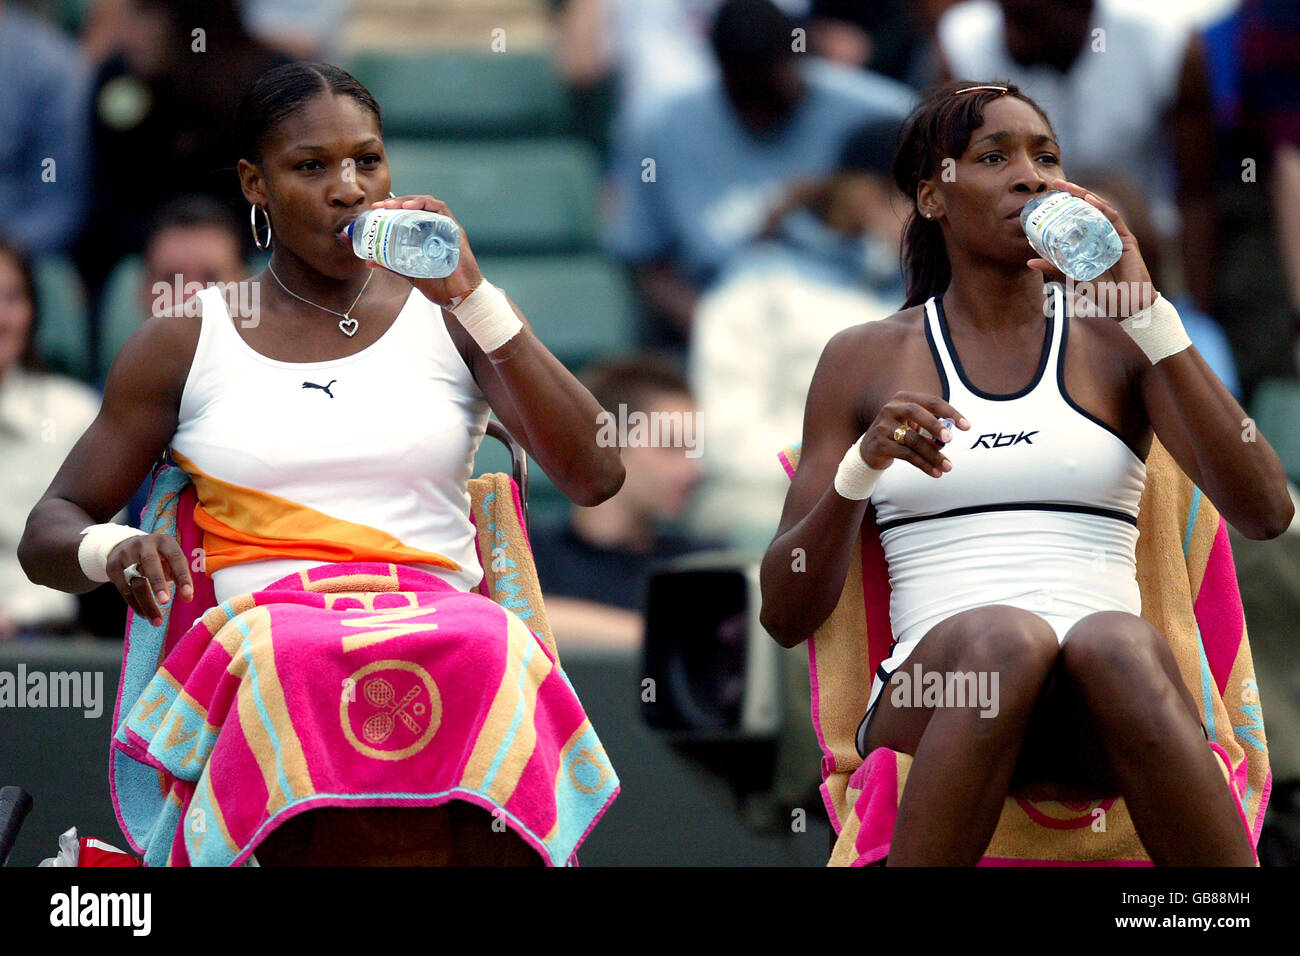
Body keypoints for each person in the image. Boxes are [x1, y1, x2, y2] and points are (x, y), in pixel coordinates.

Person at [19, 61, 625, 866]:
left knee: (491, 644)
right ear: (255, 184)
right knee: (293, 657)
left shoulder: (453, 315)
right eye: (312, 167)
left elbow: (595, 476)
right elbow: (49, 531)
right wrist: (113, 548)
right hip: (267, 636)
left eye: (367, 161)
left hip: (442, 625)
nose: (349, 189)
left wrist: (474, 297)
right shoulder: (186, 337)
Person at [758, 81, 1293, 866]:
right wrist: (859, 469)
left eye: (1047, 157)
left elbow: (1267, 510)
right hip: (936, 692)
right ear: (932, 197)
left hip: (1101, 696)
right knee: (1008, 638)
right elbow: (783, 609)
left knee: (1114, 642)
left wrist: (1147, 314)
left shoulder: (1119, 342)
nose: (1031, 176)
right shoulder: (865, 357)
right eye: (993, 157)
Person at [600, 0, 913, 347]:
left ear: (796, 59)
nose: (760, 106)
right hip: (728, 320)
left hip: (858, 311)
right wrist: (715, 328)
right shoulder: (661, 126)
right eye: (746, 91)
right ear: (722, 71)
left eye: (772, 82)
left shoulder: (881, 113)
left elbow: (924, 235)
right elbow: (646, 263)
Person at [531, 354, 709, 650]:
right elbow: (504, 623)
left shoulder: (696, 567)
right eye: (672, 447)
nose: (694, 470)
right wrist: (654, 637)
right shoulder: (529, 551)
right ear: (607, 443)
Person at [0, 240, 105, 640]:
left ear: (32, 313)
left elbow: (100, 554)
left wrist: (20, 613)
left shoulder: (73, 412)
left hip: (48, 641)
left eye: (12, 298)